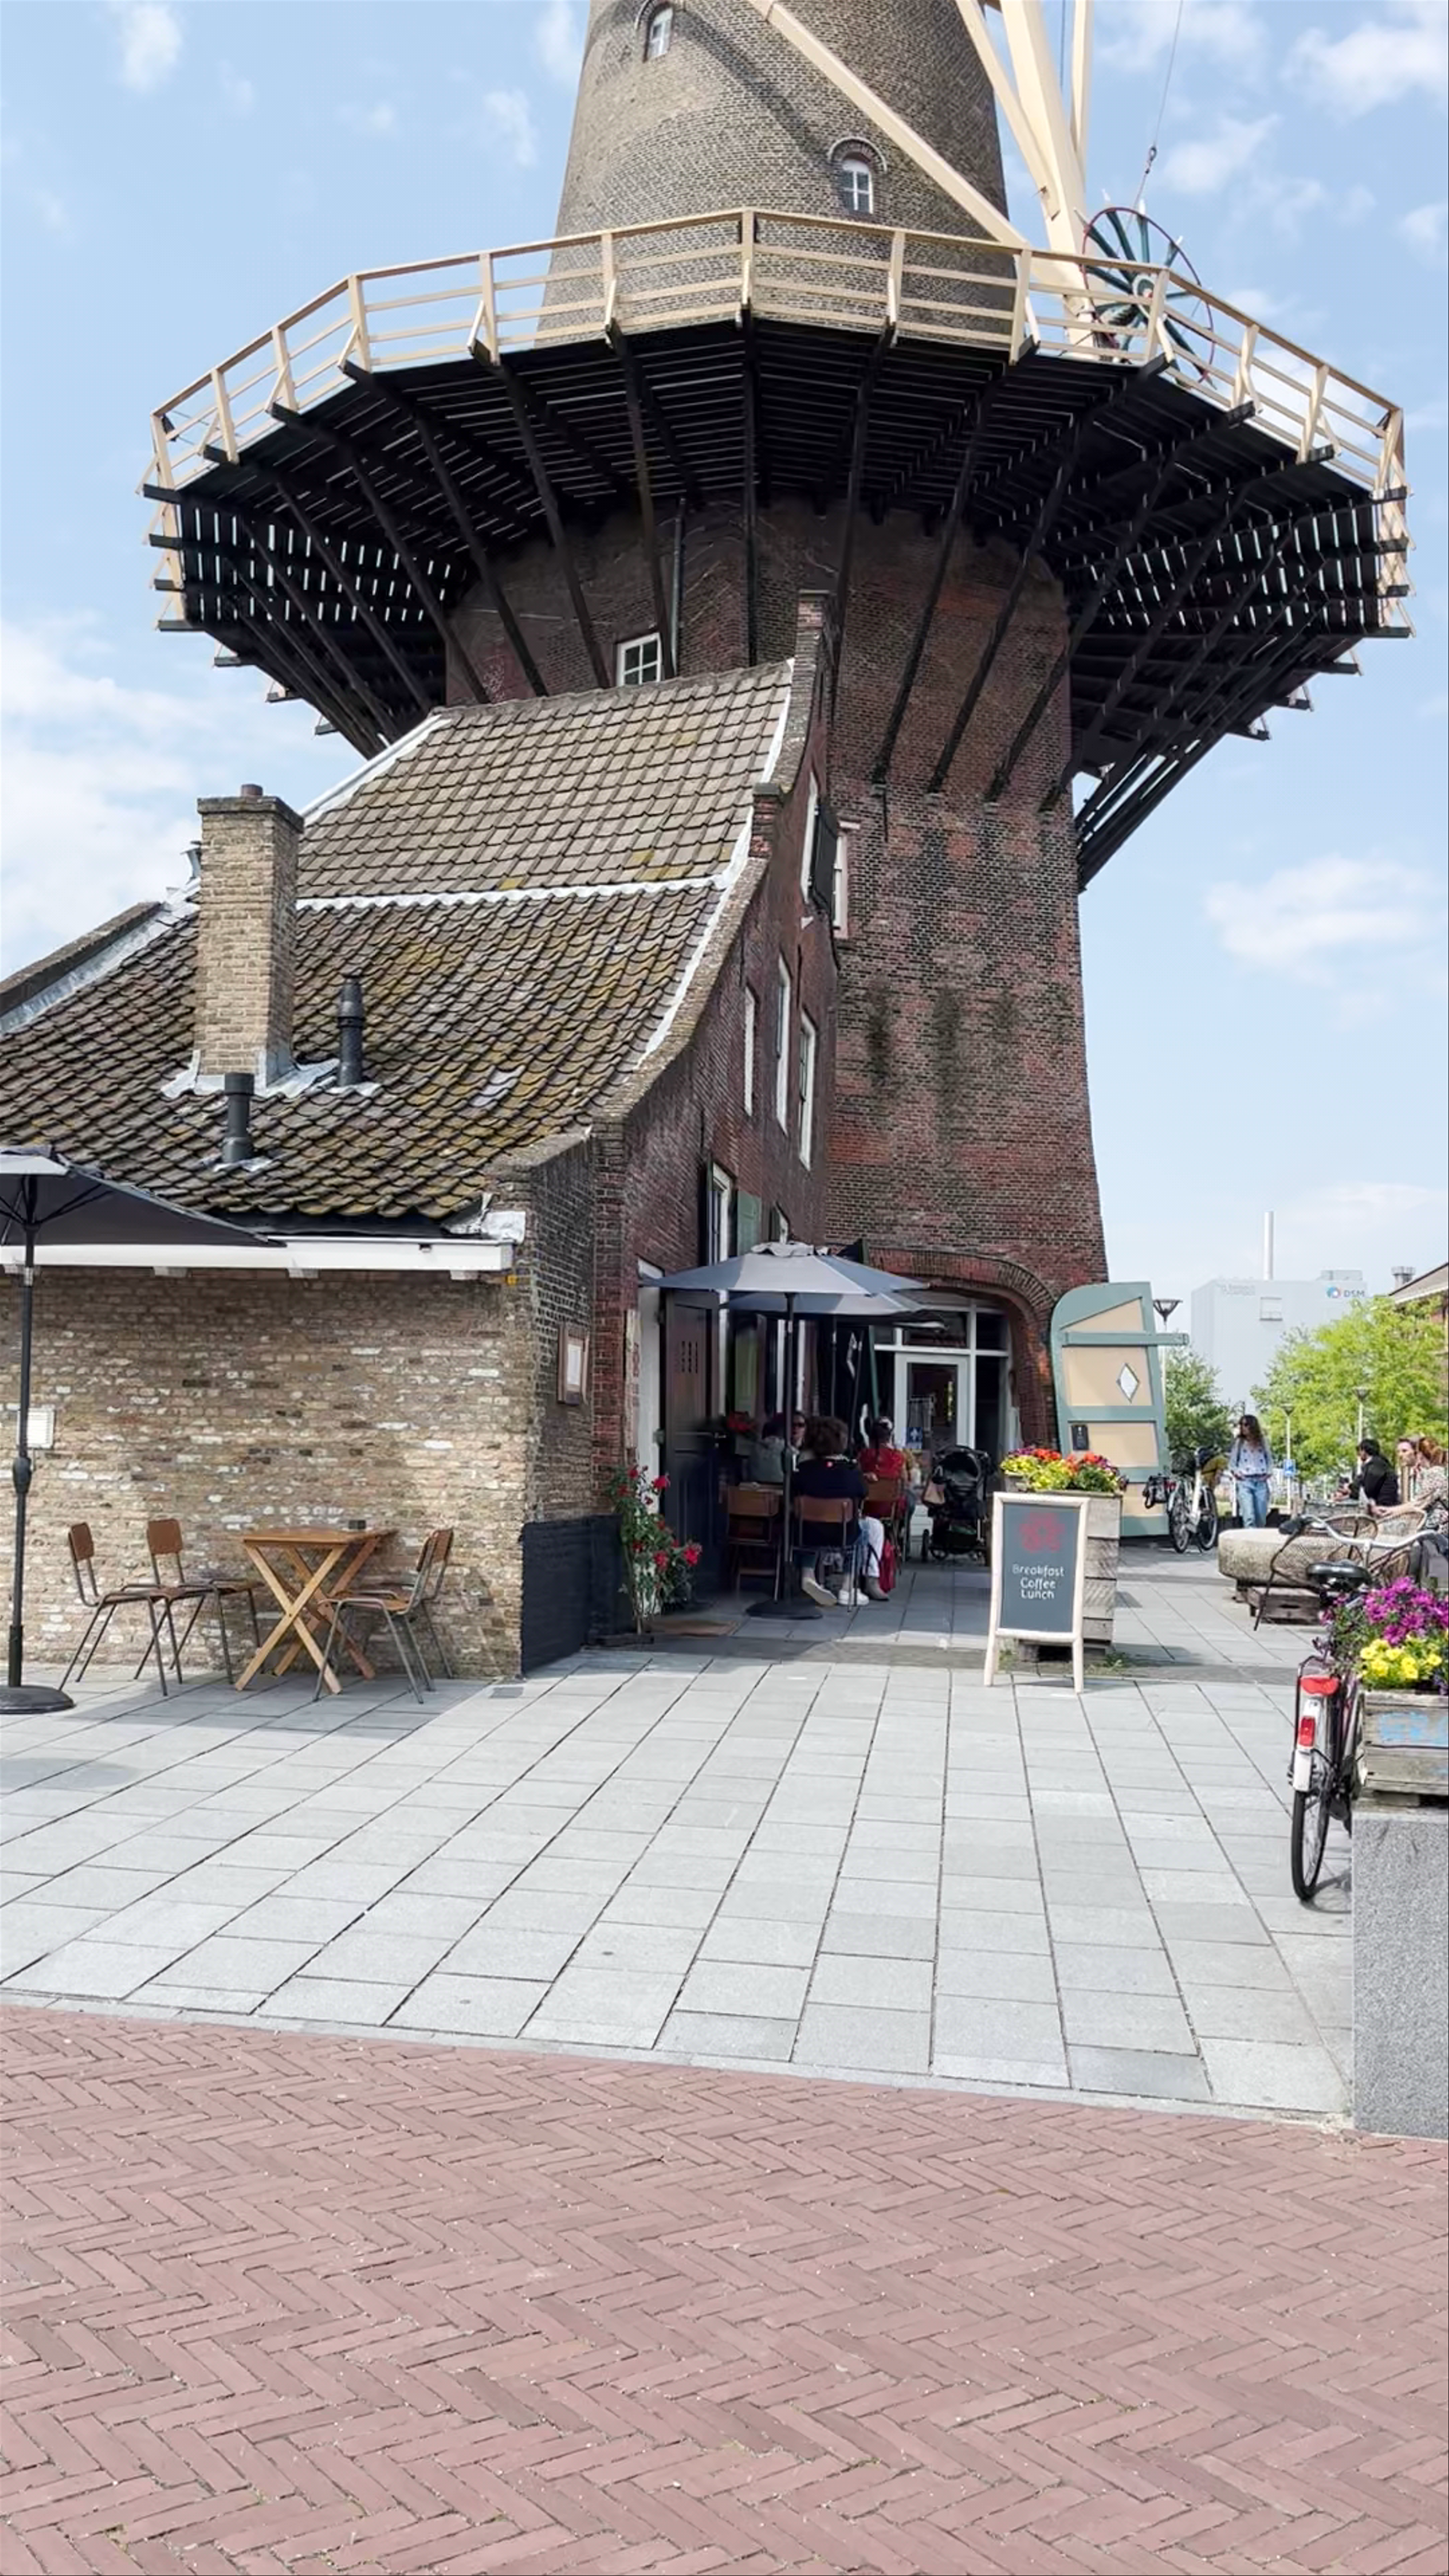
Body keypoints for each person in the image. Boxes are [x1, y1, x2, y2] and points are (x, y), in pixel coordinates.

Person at [794, 1415, 886, 1607]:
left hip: (807, 1535)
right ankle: (847, 1587)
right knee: (863, 1532)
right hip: (842, 1535)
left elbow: (791, 1496)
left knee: (804, 1523)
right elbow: (863, 1492)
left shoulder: (803, 1471)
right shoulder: (851, 1472)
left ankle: (807, 1575)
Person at [1226, 1413, 1275, 1528]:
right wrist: (1237, 1473)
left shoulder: (1263, 1442)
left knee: (1261, 1517)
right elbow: (1233, 1462)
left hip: (1261, 1481)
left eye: (1246, 1425)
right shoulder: (1240, 1443)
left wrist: (1268, 1473)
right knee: (1249, 1516)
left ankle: (1259, 1540)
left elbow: (1269, 1458)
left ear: (1253, 1426)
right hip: (1245, 1482)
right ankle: (1249, 1541)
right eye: (1241, 1425)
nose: (1243, 1428)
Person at [858, 1416, 909, 1487]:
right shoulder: (899, 1457)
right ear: (889, 1438)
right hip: (894, 1497)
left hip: (870, 1497)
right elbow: (905, 1483)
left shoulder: (864, 1456)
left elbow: (858, 1479)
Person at [1351, 1438, 1399, 1510]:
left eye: (1359, 1451)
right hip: (1384, 1505)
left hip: (1385, 1507)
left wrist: (1352, 1490)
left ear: (1364, 1451)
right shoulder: (1377, 1464)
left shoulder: (1376, 1466)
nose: (1359, 1454)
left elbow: (1368, 1490)